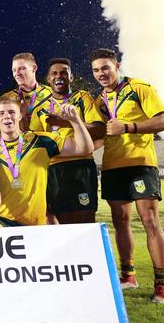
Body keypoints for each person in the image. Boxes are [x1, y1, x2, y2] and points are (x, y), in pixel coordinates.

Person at [91, 48, 164, 303]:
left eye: (105, 67)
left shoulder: (139, 88)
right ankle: (129, 275)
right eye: (95, 70)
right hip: (113, 166)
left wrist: (128, 126)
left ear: (117, 65)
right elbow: (102, 135)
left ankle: (162, 284)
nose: (101, 73)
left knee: (149, 220)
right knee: (120, 222)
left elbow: (163, 121)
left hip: (140, 163)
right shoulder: (98, 101)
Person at [0, 96, 93, 227]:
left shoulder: (42, 141)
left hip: (36, 222)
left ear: (20, 116)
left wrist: (75, 121)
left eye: (12, 112)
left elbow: (84, 148)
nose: (7, 116)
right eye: (1, 113)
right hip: (2, 220)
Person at [29, 58, 105, 224]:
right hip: (54, 168)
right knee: (61, 222)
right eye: (54, 73)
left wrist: (66, 122)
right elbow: (34, 139)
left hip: (81, 165)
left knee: (85, 220)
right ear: (48, 79)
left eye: (64, 72)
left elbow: (100, 129)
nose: (59, 76)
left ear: (71, 77)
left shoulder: (82, 97)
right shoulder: (40, 108)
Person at [4, 53, 53, 130]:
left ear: (34, 68)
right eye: (14, 70)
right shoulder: (6, 99)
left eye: (22, 68)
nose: (17, 73)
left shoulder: (52, 94)